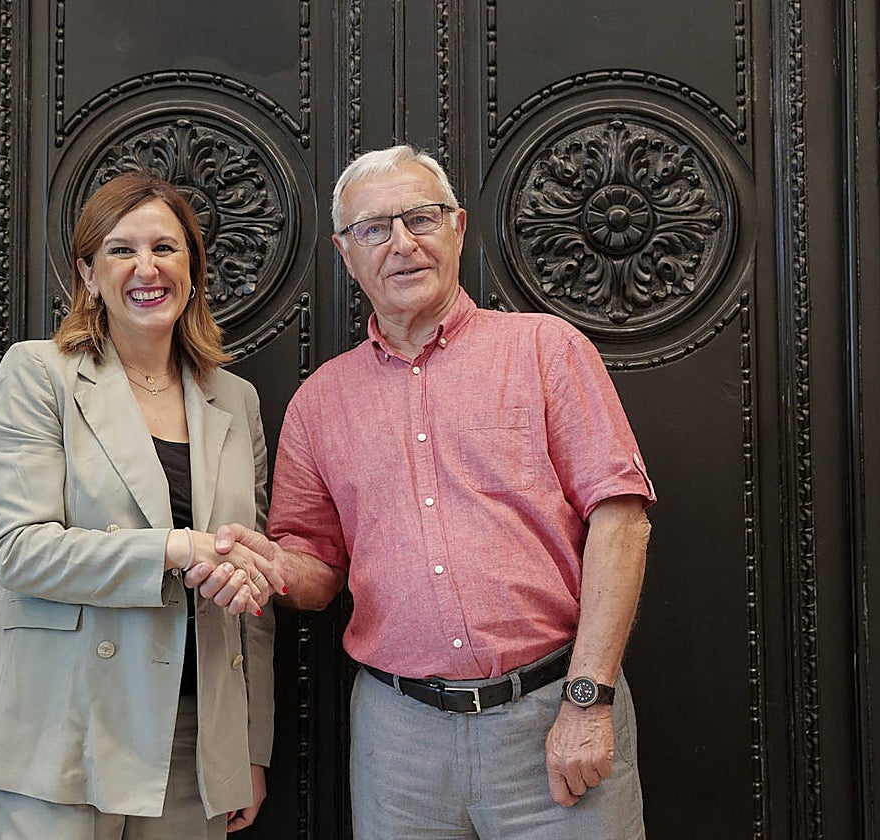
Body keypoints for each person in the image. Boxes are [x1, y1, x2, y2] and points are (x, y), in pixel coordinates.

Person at [216, 145, 656, 839]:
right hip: (400, 741)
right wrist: (267, 566)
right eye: (373, 229)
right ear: (345, 252)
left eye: (421, 218)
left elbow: (622, 522)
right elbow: (317, 573)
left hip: (552, 717)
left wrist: (587, 699)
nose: (401, 243)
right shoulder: (319, 402)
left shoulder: (546, 349)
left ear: (455, 228)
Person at [0, 172, 286, 840]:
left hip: (195, 741)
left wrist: (249, 747)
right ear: (87, 273)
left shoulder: (236, 401)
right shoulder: (38, 373)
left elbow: (250, 599)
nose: (147, 268)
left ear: (191, 268)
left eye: (166, 247)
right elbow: (19, 552)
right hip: (63, 725)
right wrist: (174, 547)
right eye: (120, 250)